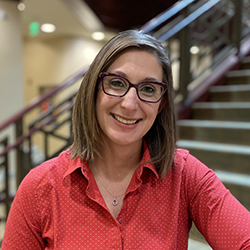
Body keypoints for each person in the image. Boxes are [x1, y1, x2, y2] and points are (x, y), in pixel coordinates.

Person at [2, 30, 250, 249]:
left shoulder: (185, 175)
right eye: (117, 83)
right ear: (94, 90)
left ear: (161, 104)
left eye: (149, 89)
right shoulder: (39, 188)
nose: (130, 104)